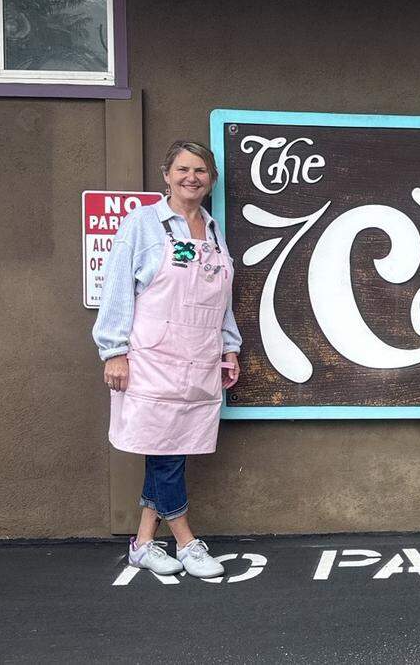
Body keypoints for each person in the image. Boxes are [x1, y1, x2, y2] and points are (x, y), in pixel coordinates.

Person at [93, 140, 241, 578]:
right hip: (152, 358)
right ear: (166, 174)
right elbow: (117, 287)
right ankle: (186, 541)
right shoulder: (143, 224)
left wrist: (229, 346)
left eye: (200, 171)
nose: (191, 177)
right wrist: (114, 351)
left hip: (198, 358)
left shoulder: (213, 231)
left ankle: (142, 542)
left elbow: (221, 301)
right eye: (183, 169)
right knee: (166, 451)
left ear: (210, 180)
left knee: (170, 450)